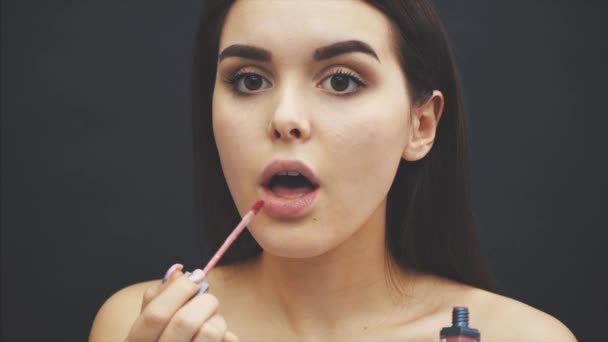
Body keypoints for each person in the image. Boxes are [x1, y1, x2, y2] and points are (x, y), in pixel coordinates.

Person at [90, 1, 577, 341]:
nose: (284, 118)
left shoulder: (520, 338)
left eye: (341, 81)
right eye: (250, 80)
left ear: (421, 124)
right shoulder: (136, 327)